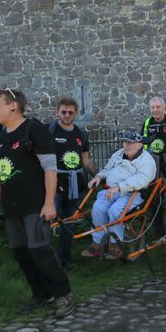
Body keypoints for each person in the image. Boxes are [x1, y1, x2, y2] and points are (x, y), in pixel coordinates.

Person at [0, 89, 74, 318]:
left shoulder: (33, 129)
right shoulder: (0, 138)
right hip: (11, 209)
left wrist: (50, 203)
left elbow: (50, 168)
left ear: (13, 106)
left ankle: (63, 294)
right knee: (21, 252)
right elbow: (2, 174)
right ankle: (42, 293)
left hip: (35, 206)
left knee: (39, 250)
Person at [83, 131, 157, 260]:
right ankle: (98, 242)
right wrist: (99, 176)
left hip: (132, 194)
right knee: (98, 208)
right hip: (111, 190)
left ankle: (115, 245)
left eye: (130, 143)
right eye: (124, 142)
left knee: (115, 211)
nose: (126, 145)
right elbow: (107, 169)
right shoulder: (118, 154)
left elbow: (142, 179)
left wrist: (119, 187)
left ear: (140, 145)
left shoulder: (147, 160)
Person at [51, 97, 96, 269]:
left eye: (71, 112)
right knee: (48, 222)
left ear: (76, 112)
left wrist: (98, 175)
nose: (67, 115)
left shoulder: (81, 133)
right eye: (64, 112)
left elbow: (86, 162)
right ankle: (45, 262)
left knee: (69, 222)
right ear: (57, 111)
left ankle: (64, 259)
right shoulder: (50, 131)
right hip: (54, 184)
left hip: (75, 184)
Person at [141, 96, 166, 236]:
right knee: (155, 199)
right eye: (152, 107)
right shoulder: (147, 123)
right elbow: (142, 144)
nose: (155, 110)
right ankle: (159, 232)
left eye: (158, 107)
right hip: (154, 167)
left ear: (163, 108)